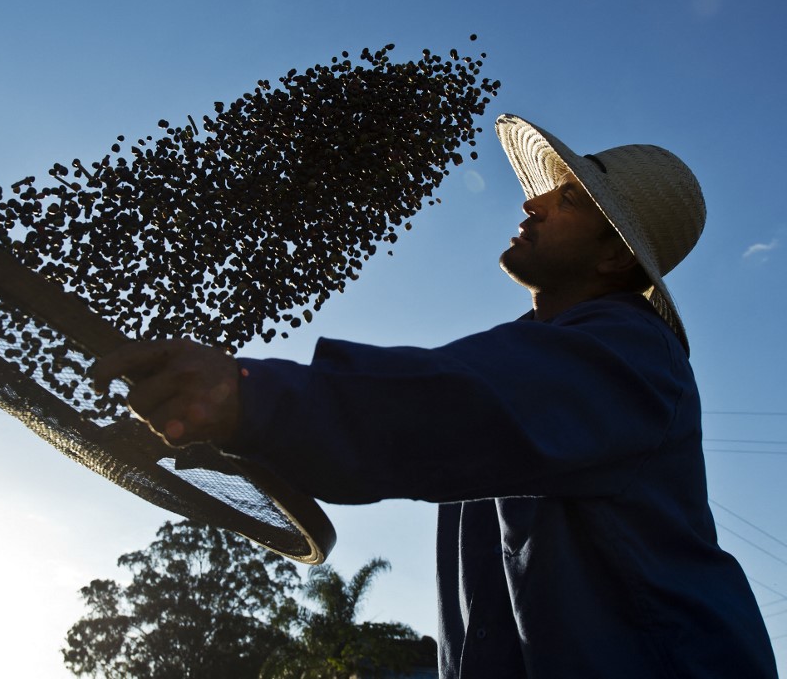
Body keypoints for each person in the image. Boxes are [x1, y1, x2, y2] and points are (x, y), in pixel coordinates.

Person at [91, 114, 779, 677]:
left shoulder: (628, 353)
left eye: (568, 199)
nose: (532, 201)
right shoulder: (524, 356)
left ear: (613, 257)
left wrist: (250, 400)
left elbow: (451, 406)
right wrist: (252, 427)